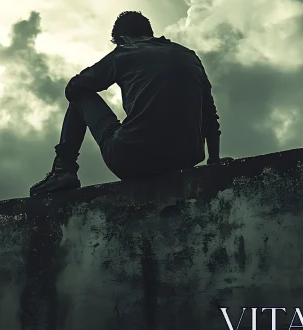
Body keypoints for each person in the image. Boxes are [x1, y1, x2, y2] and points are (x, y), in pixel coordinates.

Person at [29, 11, 222, 196]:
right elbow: (210, 117)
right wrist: (214, 162)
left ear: (122, 39)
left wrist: (113, 66)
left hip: (134, 158)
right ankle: (63, 171)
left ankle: (63, 170)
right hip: (185, 159)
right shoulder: (190, 56)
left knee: (80, 97)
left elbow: (73, 88)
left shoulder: (124, 53)